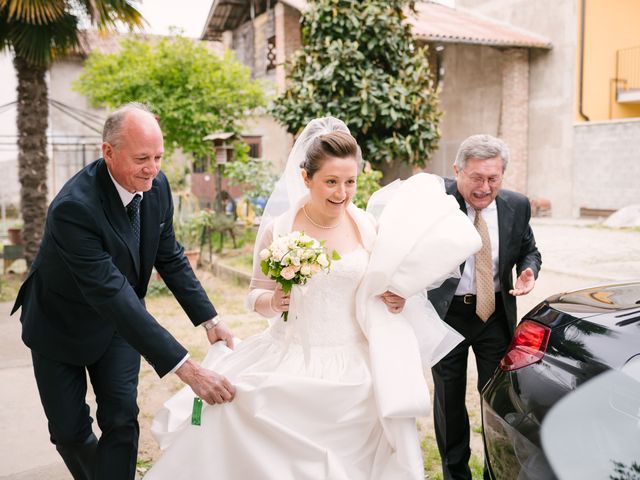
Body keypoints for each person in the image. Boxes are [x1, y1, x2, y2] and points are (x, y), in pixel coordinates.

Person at [145, 117, 481, 479]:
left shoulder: (365, 225)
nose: (342, 193)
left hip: (355, 366)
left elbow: (381, 283)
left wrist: (397, 297)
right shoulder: (281, 229)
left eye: (350, 182)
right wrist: (274, 302)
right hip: (291, 354)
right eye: (331, 182)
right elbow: (254, 296)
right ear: (306, 178)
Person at [10, 103, 235, 480]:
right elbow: (110, 292)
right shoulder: (73, 209)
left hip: (119, 328)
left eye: (159, 157)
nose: (152, 168)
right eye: (142, 158)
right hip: (60, 324)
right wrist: (188, 370)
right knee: (67, 431)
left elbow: (170, 256)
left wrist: (209, 319)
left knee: (121, 419)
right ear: (108, 152)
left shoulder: (156, 186)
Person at [428, 134, 542, 480]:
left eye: (493, 178)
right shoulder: (434, 203)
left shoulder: (517, 205)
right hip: (447, 315)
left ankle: (496, 472)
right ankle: (455, 473)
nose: (484, 187)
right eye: (476, 178)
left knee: (499, 402)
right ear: (456, 171)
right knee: (449, 402)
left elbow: (530, 249)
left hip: (494, 314)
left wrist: (528, 270)